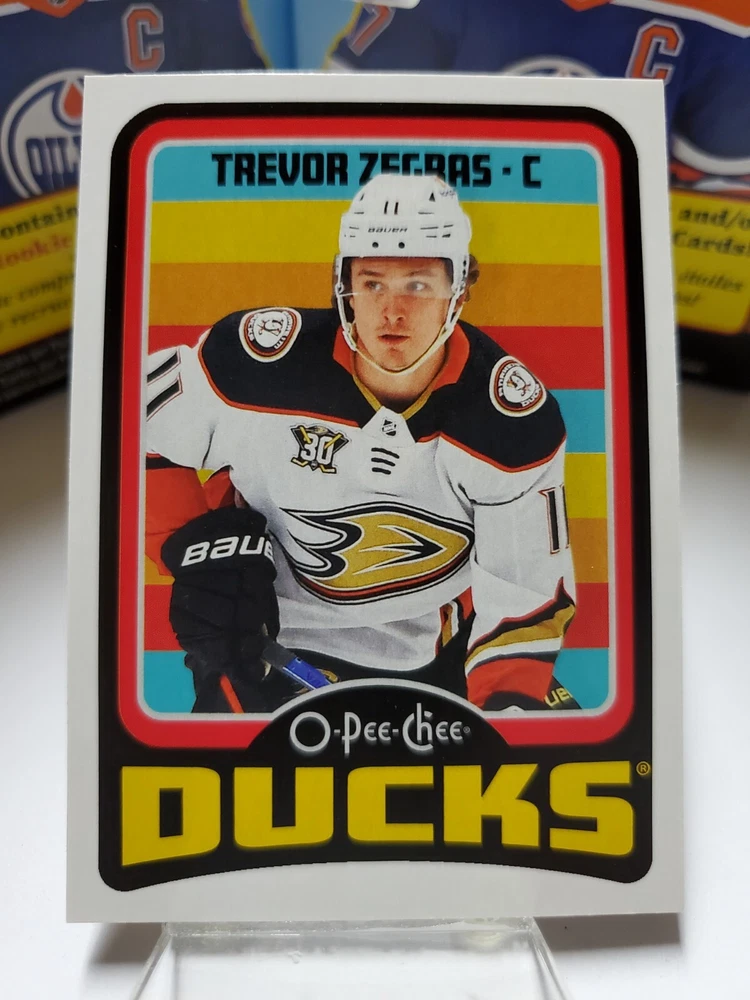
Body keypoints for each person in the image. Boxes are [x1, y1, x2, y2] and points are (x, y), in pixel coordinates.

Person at [145, 174, 578, 714]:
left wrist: (504, 712)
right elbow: (133, 419)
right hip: (266, 636)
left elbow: (525, 594)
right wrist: (197, 554)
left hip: (435, 647)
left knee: (559, 757)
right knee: (232, 768)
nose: (392, 311)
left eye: (417, 285)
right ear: (342, 284)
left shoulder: (510, 421)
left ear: (459, 290)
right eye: (372, 284)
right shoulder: (256, 365)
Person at [327, 0, 750, 194]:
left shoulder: (729, 16)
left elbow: (720, 210)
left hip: (628, 283)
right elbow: (342, 145)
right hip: (437, 249)